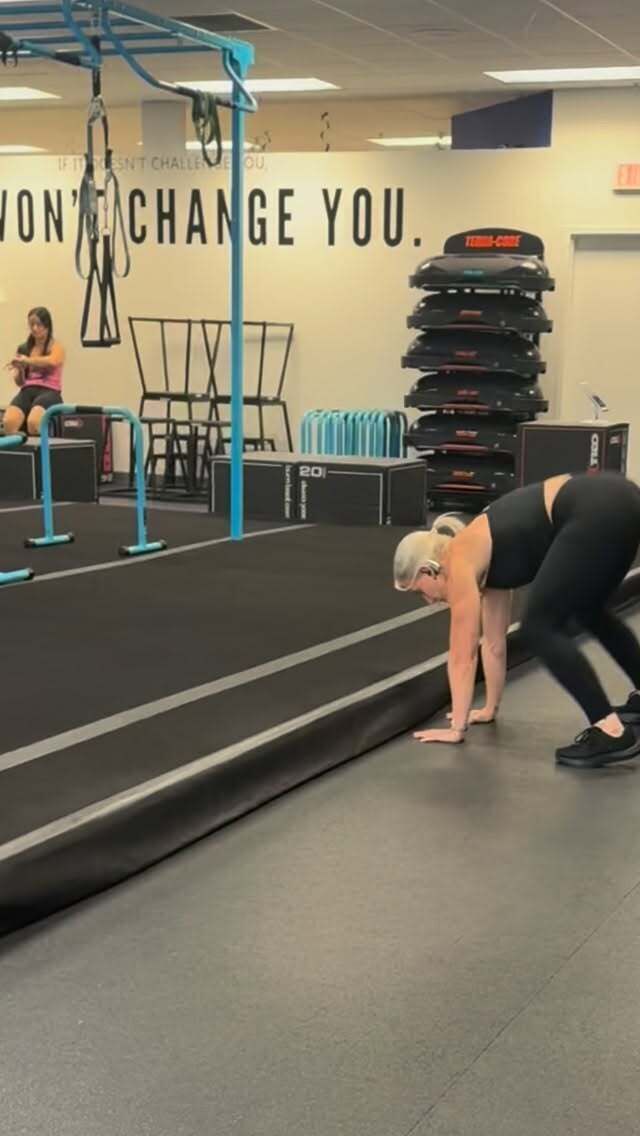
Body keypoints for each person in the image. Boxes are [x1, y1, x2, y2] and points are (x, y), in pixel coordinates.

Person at [393, 473, 640, 768]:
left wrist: (456, 728)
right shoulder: (484, 560)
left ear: (428, 570)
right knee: (589, 609)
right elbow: (493, 645)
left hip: (595, 507)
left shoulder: (457, 560)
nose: (428, 600)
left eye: (419, 591)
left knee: (538, 627)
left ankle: (610, 730)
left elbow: (462, 655)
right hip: (617, 499)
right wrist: (489, 708)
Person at [3, 307, 65, 437]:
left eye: (39, 324)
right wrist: (20, 368)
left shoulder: (56, 346)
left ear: (47, 325)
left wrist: (27, 360)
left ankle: (41, 447)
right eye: (32, 325)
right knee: (9, 423)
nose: (35, 328)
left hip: (49, 391)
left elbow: (52, 361)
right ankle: (20, 447)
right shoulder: (24, 348)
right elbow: (20, 382)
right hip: (28, 390)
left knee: (34, 423)